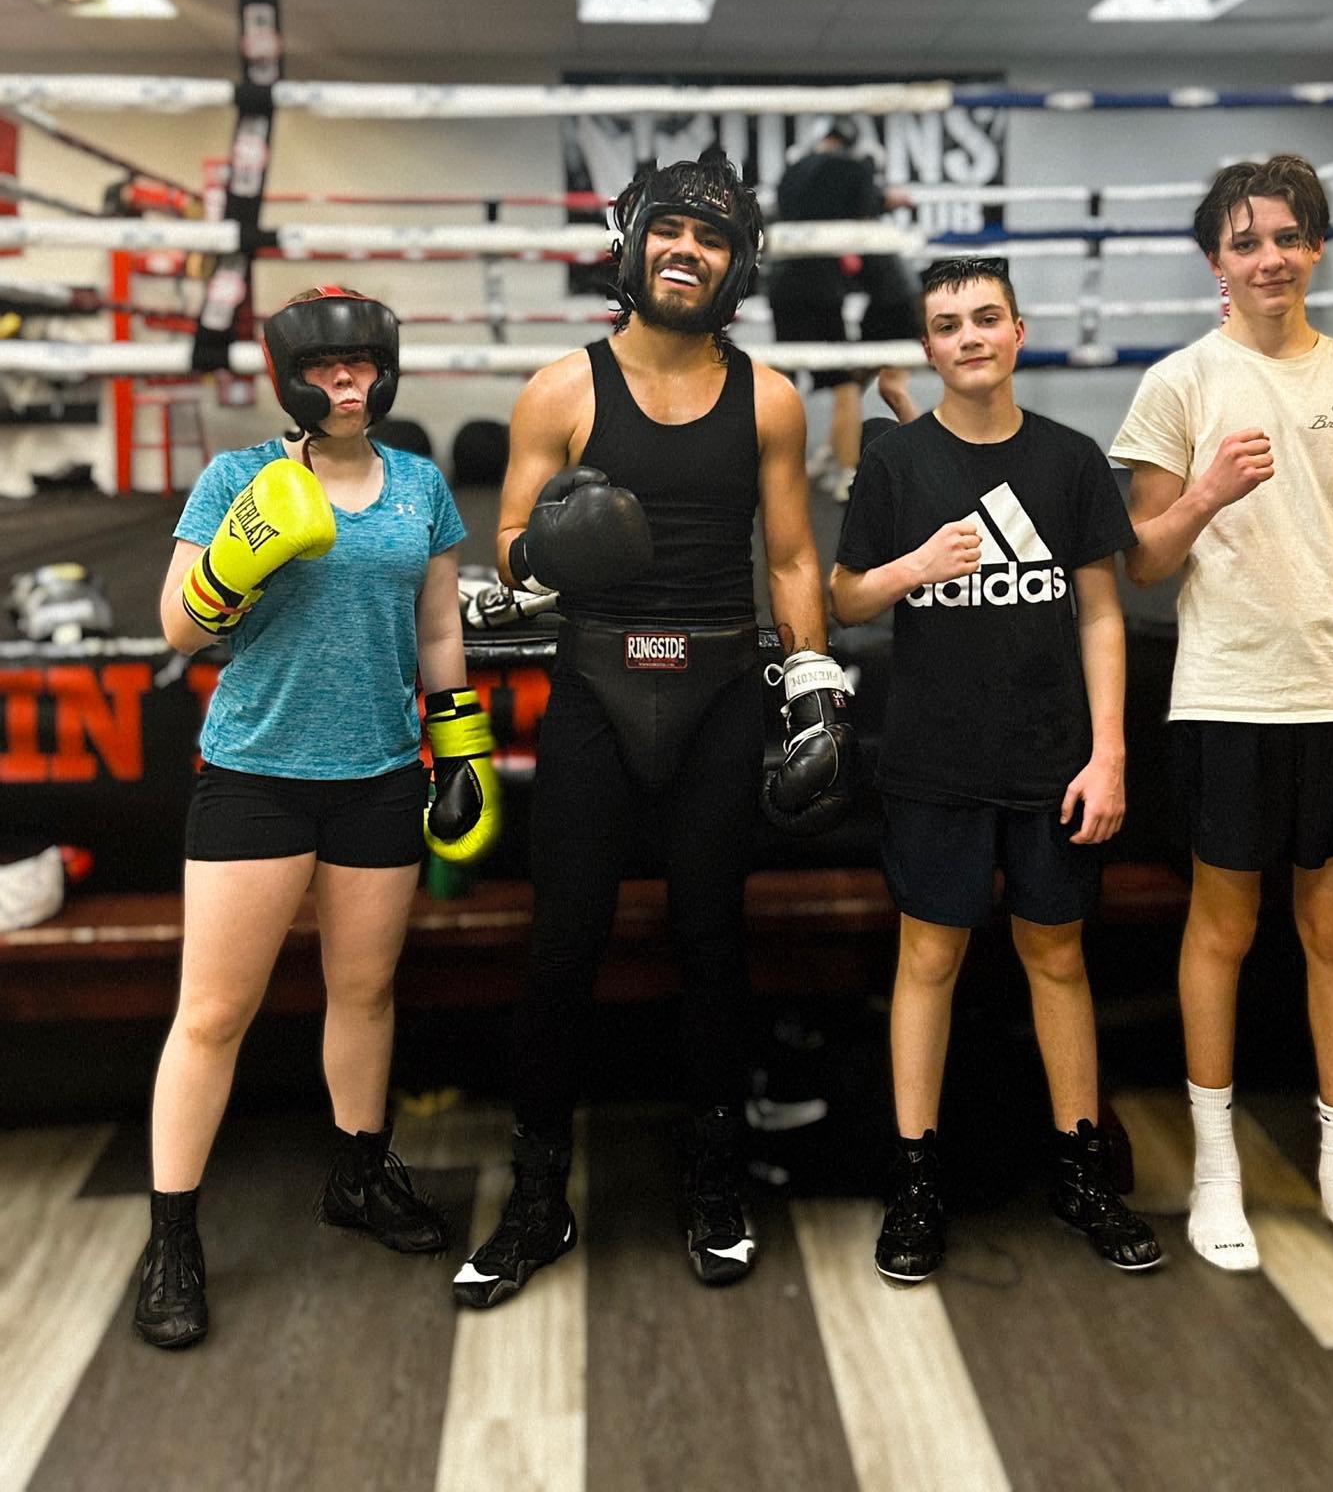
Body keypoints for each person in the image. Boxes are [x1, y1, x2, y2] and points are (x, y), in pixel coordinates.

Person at [454, 149, 851, 1307]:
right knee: (561, 948)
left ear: (738, 264)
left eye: (713, 237)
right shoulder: (560, 390)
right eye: (670, 229)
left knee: (712, 945)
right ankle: (536, 1200)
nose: (688, 250)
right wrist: (547, 555)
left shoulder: (768, 397)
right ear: (633, 241)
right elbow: (514, 543)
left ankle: (714, 1182)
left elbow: (786, 552)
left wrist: (813, 676)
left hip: (721, 692)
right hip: (597, 691)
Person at [138, 286, 500, 1349]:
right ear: (292, 376)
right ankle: (171, 1236)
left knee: (365, 988)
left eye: (363, 366)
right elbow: (176, 625)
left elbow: (439, 628)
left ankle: (357, 1173)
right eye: (328, 369)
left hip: (380, 772)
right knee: (212, 1011)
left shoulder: (423, 485)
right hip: (256, 771)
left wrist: (459, 748)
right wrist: (232, 560)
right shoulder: (238, 478)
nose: (349, 385)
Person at [1111, 155, 1333, 1278]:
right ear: (1217, 261)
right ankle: (1215, 1171)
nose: (1271, 258)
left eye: (1289, 237)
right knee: (1224, 929)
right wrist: (1205, 491)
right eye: (1247, 242)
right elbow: (1142, 563)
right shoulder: (1179, 383)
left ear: (1316, 249)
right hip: (1226, 693)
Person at [829, 256, 1162, 1281]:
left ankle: (1078, 1169)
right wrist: (912, 568)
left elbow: (1105, 611)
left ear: (1019, 331)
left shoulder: (1068, 462)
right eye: (947, 323)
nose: (969, 335)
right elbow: (844, 599)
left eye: (986, 317)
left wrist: (1109, 753)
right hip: (934, 759)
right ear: (929, 347)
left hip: (1054, 757)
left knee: (1057, 958)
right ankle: (917, 1178)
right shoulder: (895, 464)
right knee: (927, 960)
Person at [769, 121, 918, 499]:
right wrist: (888, 199)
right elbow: (867, 203)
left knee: (784, 377)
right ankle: (849, 473)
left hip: (783, 281)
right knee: (845, 384)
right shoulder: (851, 169)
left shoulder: (794, 170)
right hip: (822, 285)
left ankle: (770, 467)